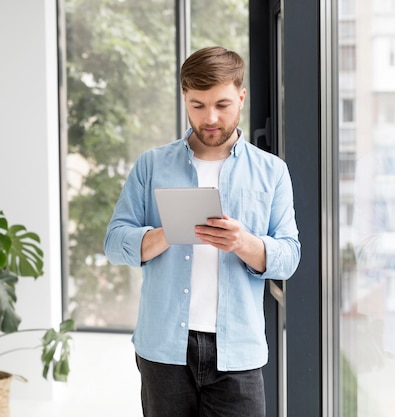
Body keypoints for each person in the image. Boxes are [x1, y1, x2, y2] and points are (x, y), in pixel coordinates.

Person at [104, 46, 301, 417]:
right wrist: (165, 234)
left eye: (222, 105)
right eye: (197, 105)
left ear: (241, 98)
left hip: (238, 352)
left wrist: (243, 243)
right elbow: (115, 242)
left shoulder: (272, 172)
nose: (210, 118)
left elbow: (289, 257)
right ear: (184, 98)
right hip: (163, 349)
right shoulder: (152, 165)